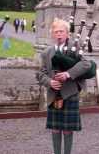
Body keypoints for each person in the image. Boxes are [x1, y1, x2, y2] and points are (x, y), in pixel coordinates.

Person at [37, 18, 94, 154]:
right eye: (56, 32)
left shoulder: (74, 48)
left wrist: (68, 74)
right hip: (53, 94)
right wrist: (49, 82)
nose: (59, 34)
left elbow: (86, 64)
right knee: (55, 128)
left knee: (68, 129)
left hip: (70, 93)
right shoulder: (46, 53)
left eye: (61, 31)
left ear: (67, 34)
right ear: (52, 34)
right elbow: (41, 73)